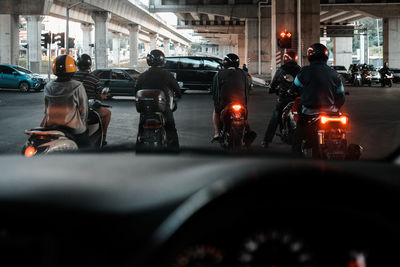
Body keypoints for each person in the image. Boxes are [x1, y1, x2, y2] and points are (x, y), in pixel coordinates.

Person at [289, 43, 345, 152]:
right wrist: (335, 108)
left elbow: (294, 88)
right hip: (330, 112)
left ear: (310, 56)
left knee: (298, 137)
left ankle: (295, 161)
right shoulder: (334, 74)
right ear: (326, 56)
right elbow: (341, 97)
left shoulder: (304, 71)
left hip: (309, 112)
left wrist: (293, 92)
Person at [40, 54, 90, 148]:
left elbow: (46, 108)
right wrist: (83, 125)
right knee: (87, 148)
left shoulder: (48, 86)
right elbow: (83, 110)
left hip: (50, 126)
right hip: (72, 128)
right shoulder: (77, 86)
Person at [134, 49, 181, 148]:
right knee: (171, 128)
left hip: (145, 110)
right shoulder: (167, 75)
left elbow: (136, 91)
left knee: (141, 129)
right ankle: (174, 150)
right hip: (163, 109)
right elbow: (177, 89)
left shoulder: (142, 76)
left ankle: (139, 149)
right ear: (162, 61)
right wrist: (178, 95)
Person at [211, 53, 256, 144]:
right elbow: (247, 89)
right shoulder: (244, 74)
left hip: (225, 103)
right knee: (243, 116)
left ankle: (216, 133)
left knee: (216, 112)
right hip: (241, 102)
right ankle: (249, 130)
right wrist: (245, 103)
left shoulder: (219, 74)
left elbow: (215, 91)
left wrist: (217, 104)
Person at [262, 51, 301, 148]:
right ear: (296, 58)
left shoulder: (281, 70)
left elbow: (273, 85)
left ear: (285, 59)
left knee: (275, 117)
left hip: (284, 99)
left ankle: (266, 140)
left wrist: (272, 89)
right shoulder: (301, 70)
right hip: (298, 100)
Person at [73, 53, 111, 145]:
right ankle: (103, 137)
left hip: (72, 107)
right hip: (88, 108)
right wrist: (102, 96)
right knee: (107, 113)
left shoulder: (71, 77)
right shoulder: (94, 79)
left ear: (77, 65)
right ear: (90, 65)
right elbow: (99, 94)